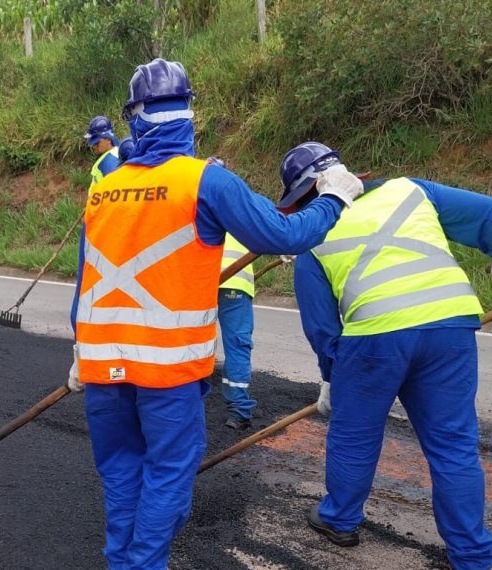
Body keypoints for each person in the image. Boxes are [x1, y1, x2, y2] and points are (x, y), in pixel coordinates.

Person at [66, 59, 363, 570]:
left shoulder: (103, 189)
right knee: (168, 476)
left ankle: (123, 560)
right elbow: (286, 235)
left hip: (100, 367)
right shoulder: (205, 181)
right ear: (189, 116)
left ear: (133, 118)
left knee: (119, 472)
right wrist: (334, 197)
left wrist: (77, 350)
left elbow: (85, 278)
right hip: (167, 371)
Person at [279, 141, 492, 569]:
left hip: (375, 338)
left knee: (354, 434)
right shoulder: (410, 190)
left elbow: (323, 329)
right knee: (453, 444)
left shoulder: (313, 237)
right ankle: (472, 555)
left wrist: (332, 378)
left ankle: (340, 519)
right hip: (449, 326)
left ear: (304, 196)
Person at [205, 157, 259, 430]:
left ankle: (191, 396)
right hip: (235, 284)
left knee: (196, 341)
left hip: (201, 282)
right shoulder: (241, 200)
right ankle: (239, 411)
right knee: (237, 345)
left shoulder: (197, 199)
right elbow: (267, 230)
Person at [84, 115, 122, 187]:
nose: (93, 146)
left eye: (97, 142)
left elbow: (115, 189)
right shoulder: (117, 153)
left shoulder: (109, 161)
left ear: (108, 139)